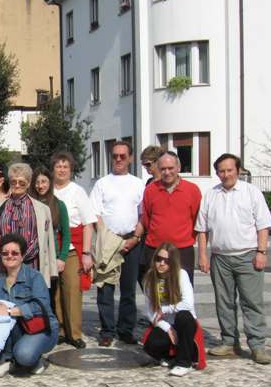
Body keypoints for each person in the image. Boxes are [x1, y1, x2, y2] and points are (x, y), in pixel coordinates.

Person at [196, 153, 271, 365]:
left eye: (229, 170)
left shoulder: (251, 192)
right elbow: (202, 229)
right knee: (224, 303)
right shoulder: (211, 195)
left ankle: (257, 346)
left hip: (248, 256)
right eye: (221, 171)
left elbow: (263, 225)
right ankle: (229, 342)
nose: (226, 174)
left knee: (252, 302)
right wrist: (202, 255)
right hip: (220, 258)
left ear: (238, 171)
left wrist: (261, 252)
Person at [89, 141, 146, 347]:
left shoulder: (138, 184)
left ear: (130, 158)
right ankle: (107, 331)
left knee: (128, 290)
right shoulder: (102, 184)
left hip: (132, 240)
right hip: (108, 241)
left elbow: (143, 214)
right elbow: (95, 213)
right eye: (115, 156)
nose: (118, 159)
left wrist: (135, 238)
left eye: (123, 156)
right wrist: (108, 239)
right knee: (105, 289)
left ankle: (125, 330)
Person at [0, 233, 59, 377]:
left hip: (40, 328)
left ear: (22, 256)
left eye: (15, 253)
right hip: (17, 329)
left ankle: (32, 359)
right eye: (5, 253)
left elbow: (40, 307)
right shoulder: (0, 282)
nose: (10, 256)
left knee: (24, 355)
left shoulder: (35, 277)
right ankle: (7, 360)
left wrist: (9, 311)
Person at [0, 163, 58, 285]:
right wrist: (7, 255)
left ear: (28, 183)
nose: (17, 185)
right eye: (14, 182)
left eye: (21, 182)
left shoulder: (42, 209)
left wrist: (19, 258)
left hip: (30, 267)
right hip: (1, 268)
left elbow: (40, 240)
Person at [52, 151, 96, 348]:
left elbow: (88, 224)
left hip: (71, 249)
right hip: (52, 247)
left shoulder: (77, 191)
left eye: (65, 166)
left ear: (70, 170)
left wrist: (86, 253)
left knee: (71, 291)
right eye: (58, 166)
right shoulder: (47, 189)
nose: (61, 170)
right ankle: (61, 330)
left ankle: (74, 333)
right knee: (56, 293)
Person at [141, 242, 204, 376]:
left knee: (183, 316)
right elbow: (150, 312)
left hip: (184, 321)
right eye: (159, 259)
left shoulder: (181, 274)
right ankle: (169, 357)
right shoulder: (149, 278)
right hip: (166, 322)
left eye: (166, 261)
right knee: (152, 344)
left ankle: (184, 363)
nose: (162, 263)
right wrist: (168, 328)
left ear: (173, 262)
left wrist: (165, 309)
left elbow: (188, 304)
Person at [138, 151, 201, 283]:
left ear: (178, 167)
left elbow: (197, 220)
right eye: (163, 169)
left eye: (170, 168)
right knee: (157, 291)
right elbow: (147, 219)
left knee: (182, 289)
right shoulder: (150, 190)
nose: (167, 172)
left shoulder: (192, 190)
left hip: (182, 250)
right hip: (155, 249)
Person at [31, 167, 70, 308]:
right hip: (33, 258)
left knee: (50, 297)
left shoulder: (59, 205)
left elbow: (66, 234)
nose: (40, 186)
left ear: (50, 183)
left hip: (51, 258)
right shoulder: (29, 204)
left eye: (44, 182)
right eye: (37, 182)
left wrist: (62, 258)